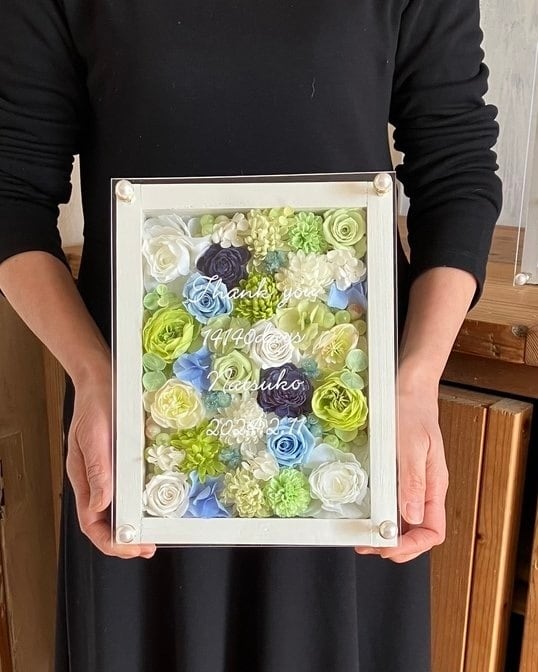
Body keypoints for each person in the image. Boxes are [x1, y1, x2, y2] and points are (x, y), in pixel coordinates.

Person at [0, 1, 502, 671]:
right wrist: (95, 377)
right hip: (141, 425)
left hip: (351, 431)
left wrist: (412, 386)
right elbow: (11, 193)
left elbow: (457, 167)